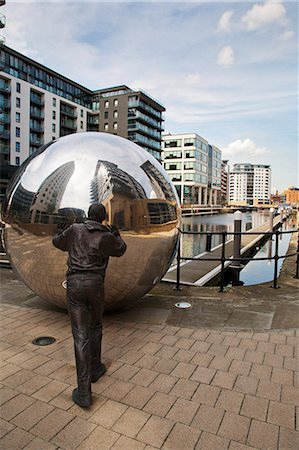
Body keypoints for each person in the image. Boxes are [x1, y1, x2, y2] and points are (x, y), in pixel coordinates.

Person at [52, 203, 126, 407]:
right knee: (95, 327)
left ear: (88, 215)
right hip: (95, 286)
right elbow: (121, 250)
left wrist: (60, 232)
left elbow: (57, 243)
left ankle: (84, 390)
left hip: (75, 285)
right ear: (103, 218)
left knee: (80, 335)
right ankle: (94, 369)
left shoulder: (75, 230)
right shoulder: (106, 236)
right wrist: (117, 235)